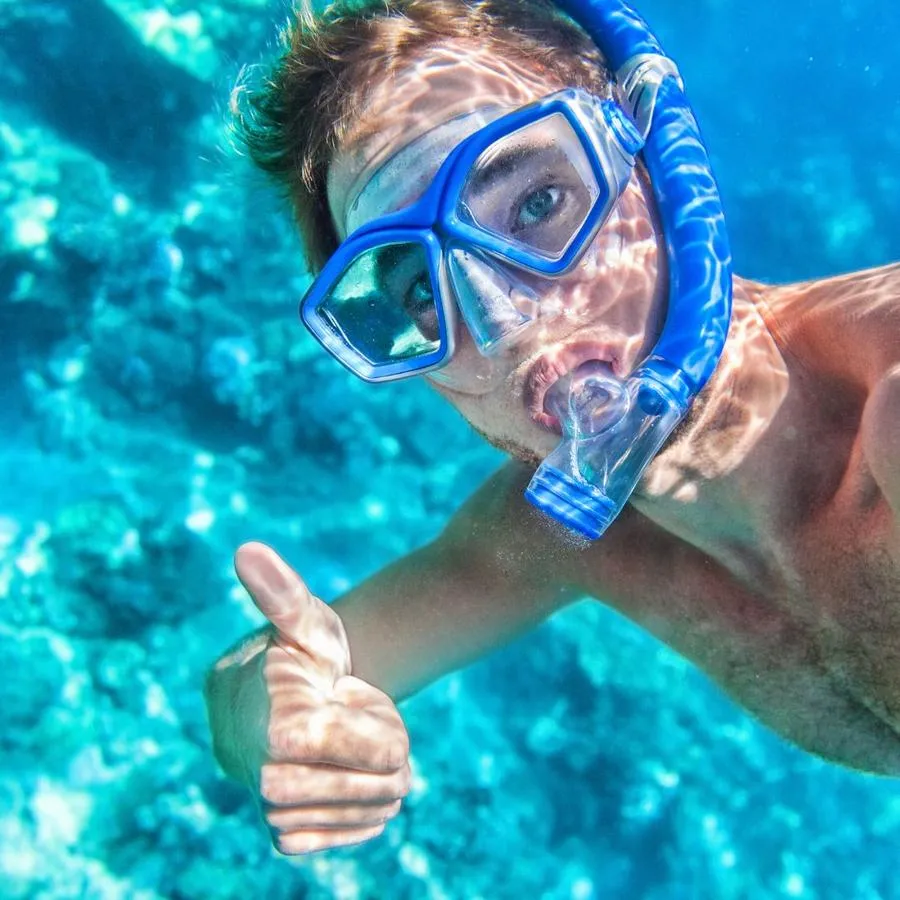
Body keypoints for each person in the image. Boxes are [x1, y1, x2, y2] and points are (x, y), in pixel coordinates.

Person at [204, 0, 900, 857]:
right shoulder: (567, 533)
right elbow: (255, 688)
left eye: (536, 201)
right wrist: (284, 722)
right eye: (421, 291)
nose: (502, 321)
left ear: (655, 162)